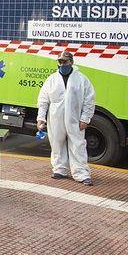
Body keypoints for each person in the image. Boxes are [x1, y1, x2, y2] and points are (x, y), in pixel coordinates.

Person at [36, 51, 96, 186]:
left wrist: (85, 119)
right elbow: (43, 100)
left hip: (75, 119)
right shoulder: (51, 79)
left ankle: (81, 173)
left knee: (78, 145)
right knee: (57, 144)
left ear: (71, 62)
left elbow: (89, 100)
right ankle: (60, 169)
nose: (62, 64)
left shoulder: (81, 80)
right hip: (55, 119)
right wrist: (41, 118)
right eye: (60, 62)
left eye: (65, 61)